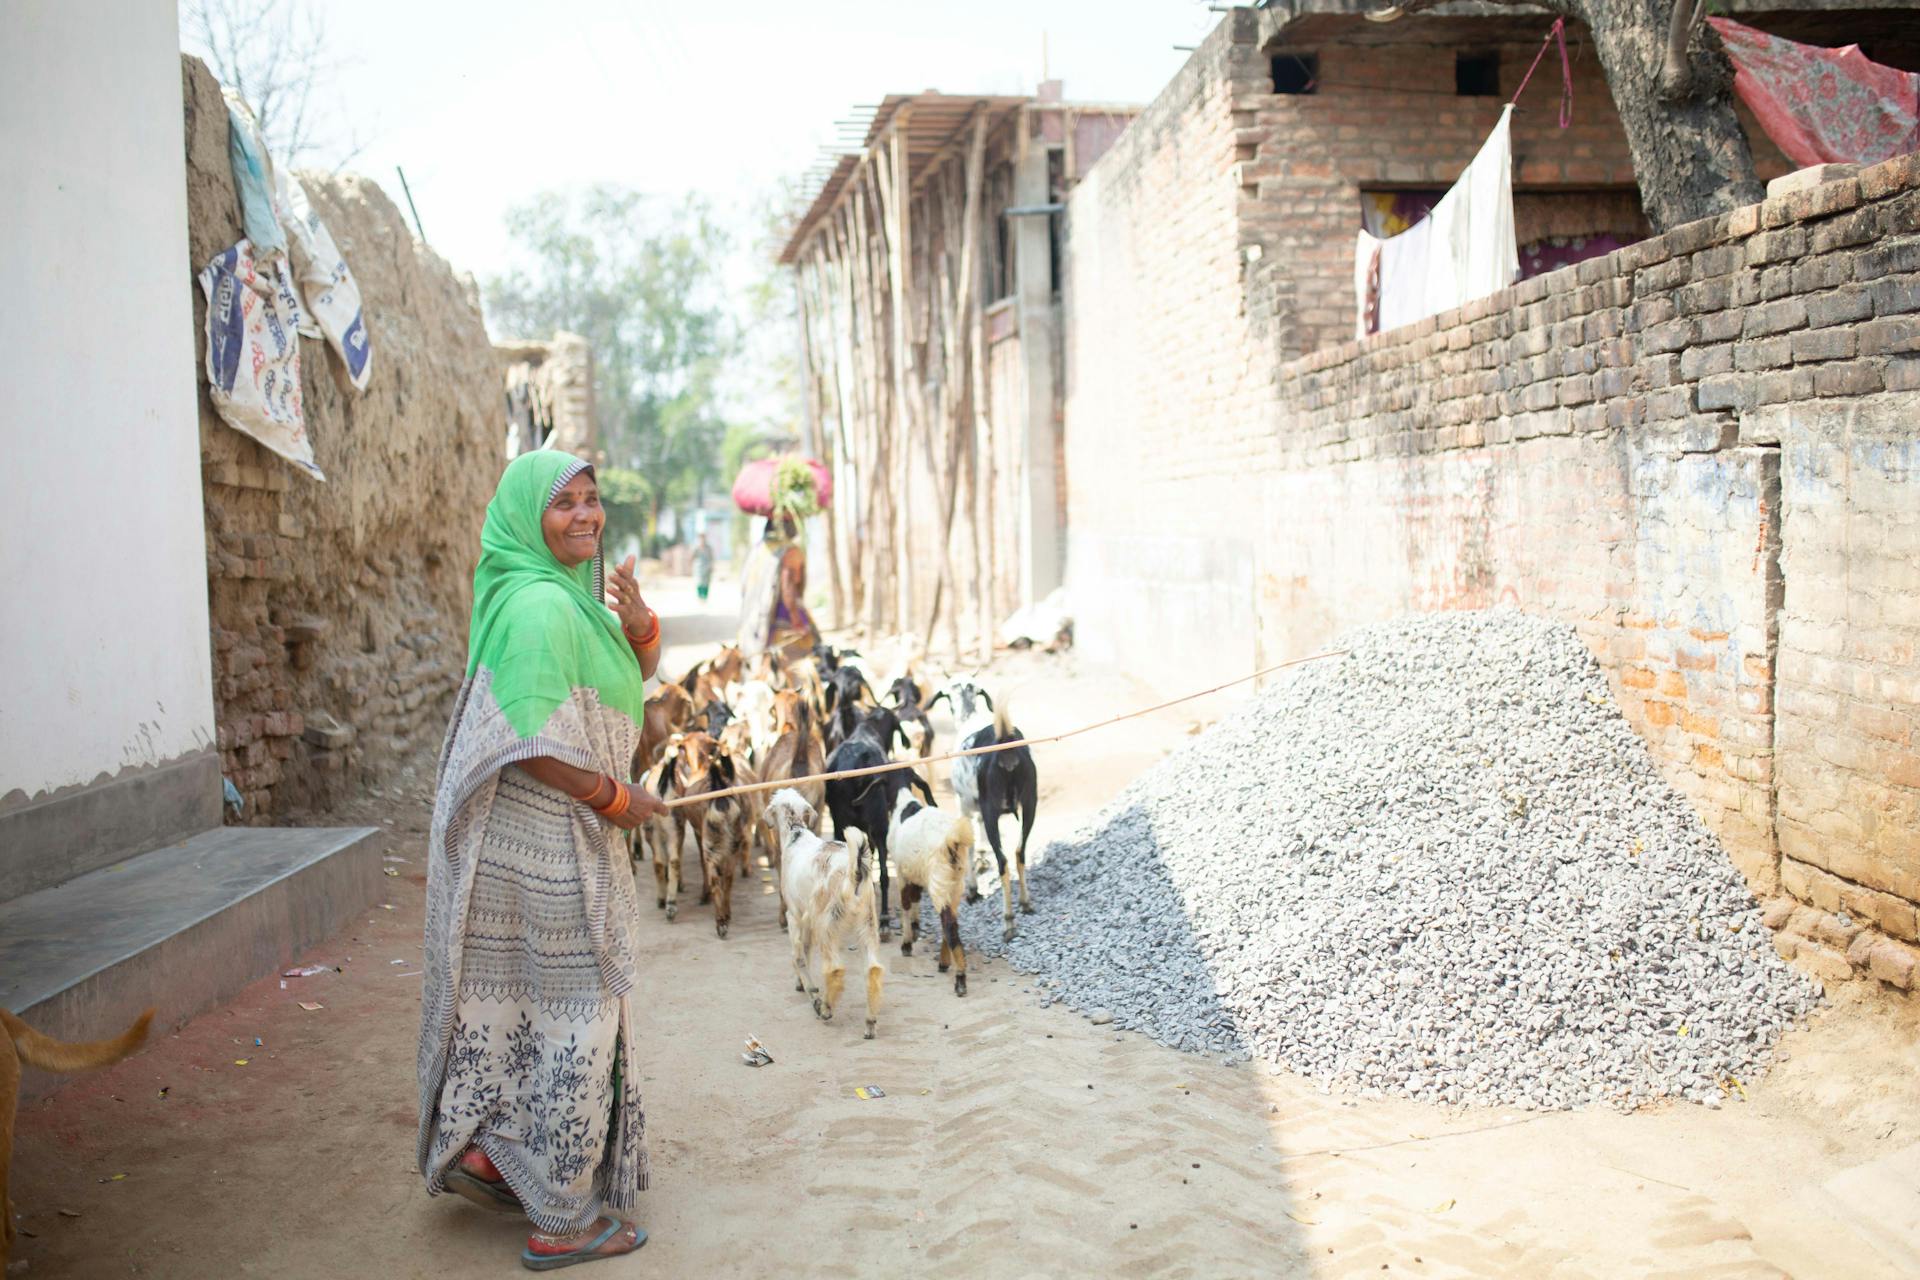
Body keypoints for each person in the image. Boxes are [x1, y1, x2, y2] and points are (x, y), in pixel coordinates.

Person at [416, 450, 670, 1270]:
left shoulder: (564, 597)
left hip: (525, 846)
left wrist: (640, 630)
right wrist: (613, 798)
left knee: (516, 1007)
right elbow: (528, 743)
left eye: (594, 501)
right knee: (579, 1018)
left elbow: (616, 686)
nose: (587, 517)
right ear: (530, 515)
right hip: (544, 843)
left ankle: (496, 1157)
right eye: (565, 504)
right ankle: (563, 1219)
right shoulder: (536, 608)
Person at [737, 507, 817, 660]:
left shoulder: (758, 550)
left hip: (754, 621)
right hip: (783, 619)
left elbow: (744, 585)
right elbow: (788, 589)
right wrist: (797, 621)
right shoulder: (791, 553)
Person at [691, 533, 714, 602]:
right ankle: (700, 596)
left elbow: (712, 557)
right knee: (699, 582)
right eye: (700, 538)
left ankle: (705, 596)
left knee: (706, 582)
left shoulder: (709, 547)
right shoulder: (696, 547)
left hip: (707, 567)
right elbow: (692, 556)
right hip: (698, 567)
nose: (702, 540)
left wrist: (712, 565)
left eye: (703, 538)